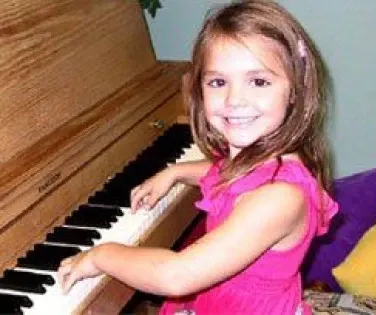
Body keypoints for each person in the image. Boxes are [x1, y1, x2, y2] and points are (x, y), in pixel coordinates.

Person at [58, 0, 339, 314]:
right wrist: (175, 172)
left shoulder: (279, 199)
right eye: (218, 82)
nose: (234, 99)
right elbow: (229, 172)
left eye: (258, 81)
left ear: (295, 91)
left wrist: (102, 255)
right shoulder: (266, 162)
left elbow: (175, 276)